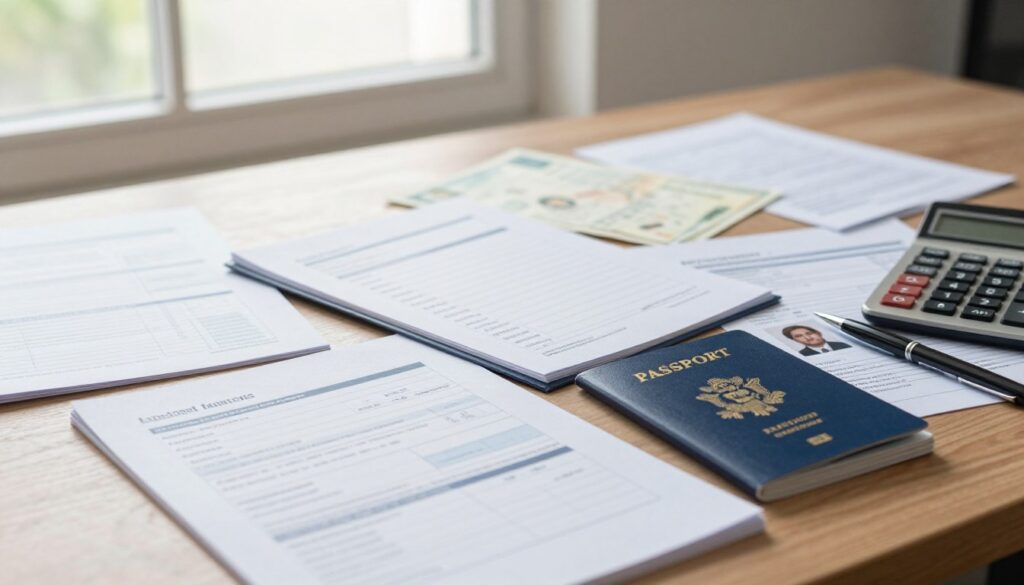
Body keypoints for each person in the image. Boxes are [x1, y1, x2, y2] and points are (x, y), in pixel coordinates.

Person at [782, 325, 851, 356]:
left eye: (809, 333)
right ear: (795, 340)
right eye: (799, 336)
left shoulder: (843, 345)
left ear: (818, 333)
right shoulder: (802, 355)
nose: (807, 337)